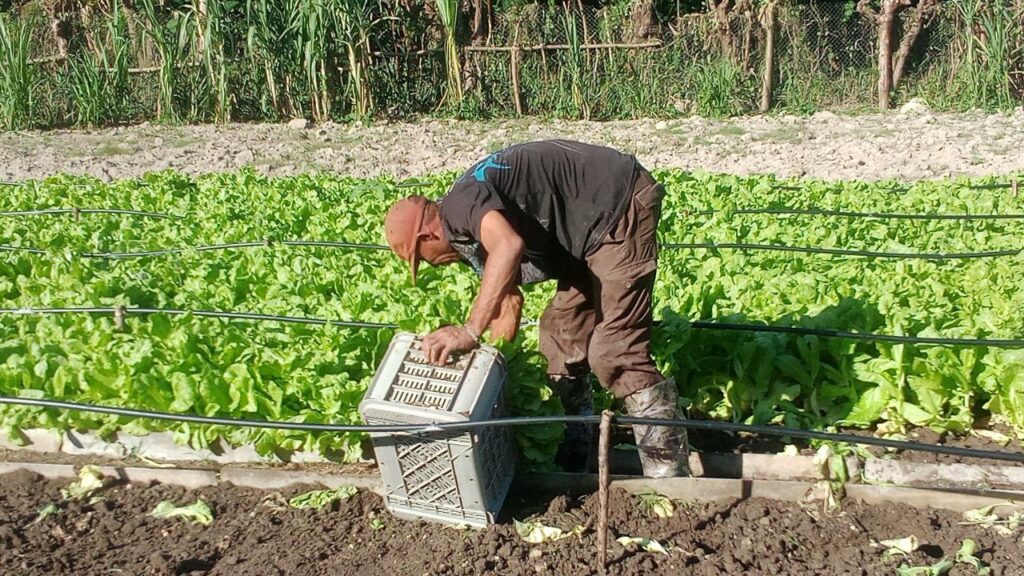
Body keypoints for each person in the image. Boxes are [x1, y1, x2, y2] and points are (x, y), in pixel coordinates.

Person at [383, 139, 689, 478]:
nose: (433, 266)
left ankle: (669, 475)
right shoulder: (470, 224)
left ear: (426, 236)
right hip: (586, 233)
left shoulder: (460, 207)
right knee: (560, 338)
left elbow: (508, 245)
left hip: (617, 205)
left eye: (422, 260)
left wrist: (470, 330)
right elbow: (508, 302)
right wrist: (497, 374)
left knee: (616, 351)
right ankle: (575, 461)